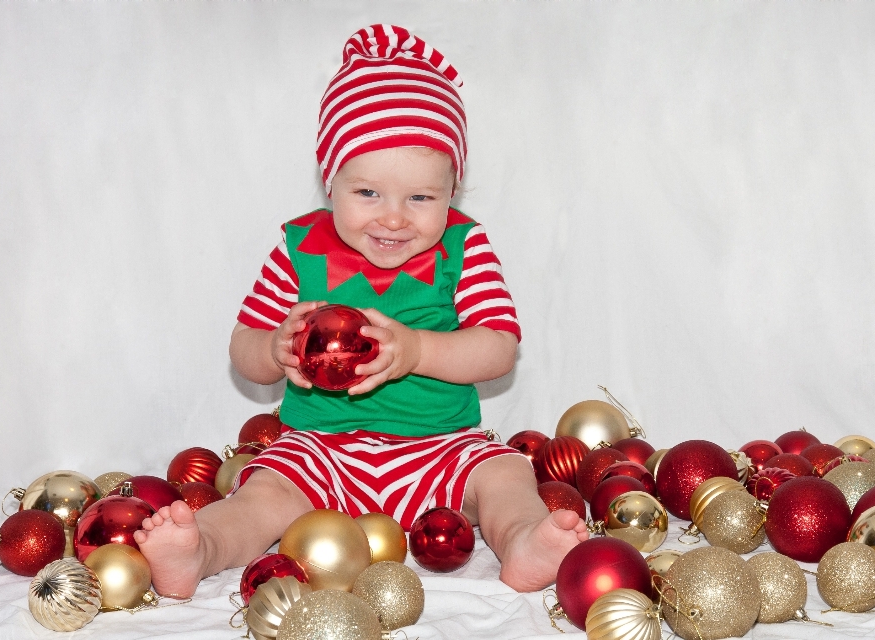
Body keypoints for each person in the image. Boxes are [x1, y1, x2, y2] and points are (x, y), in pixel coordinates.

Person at [135, 23, 588, 598]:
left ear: (453, 190)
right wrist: (274, 347)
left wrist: (419, 350)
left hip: (439, 444)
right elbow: (243, 347)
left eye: (421, 198)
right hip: (320, 445)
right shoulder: (299, 248)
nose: (393, 218)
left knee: (504, 474)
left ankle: (524, 540)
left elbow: (499, 347)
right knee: (262, 497)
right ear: (331, 180)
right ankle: (200, 549)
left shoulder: (464, 247)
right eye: (367, 193)